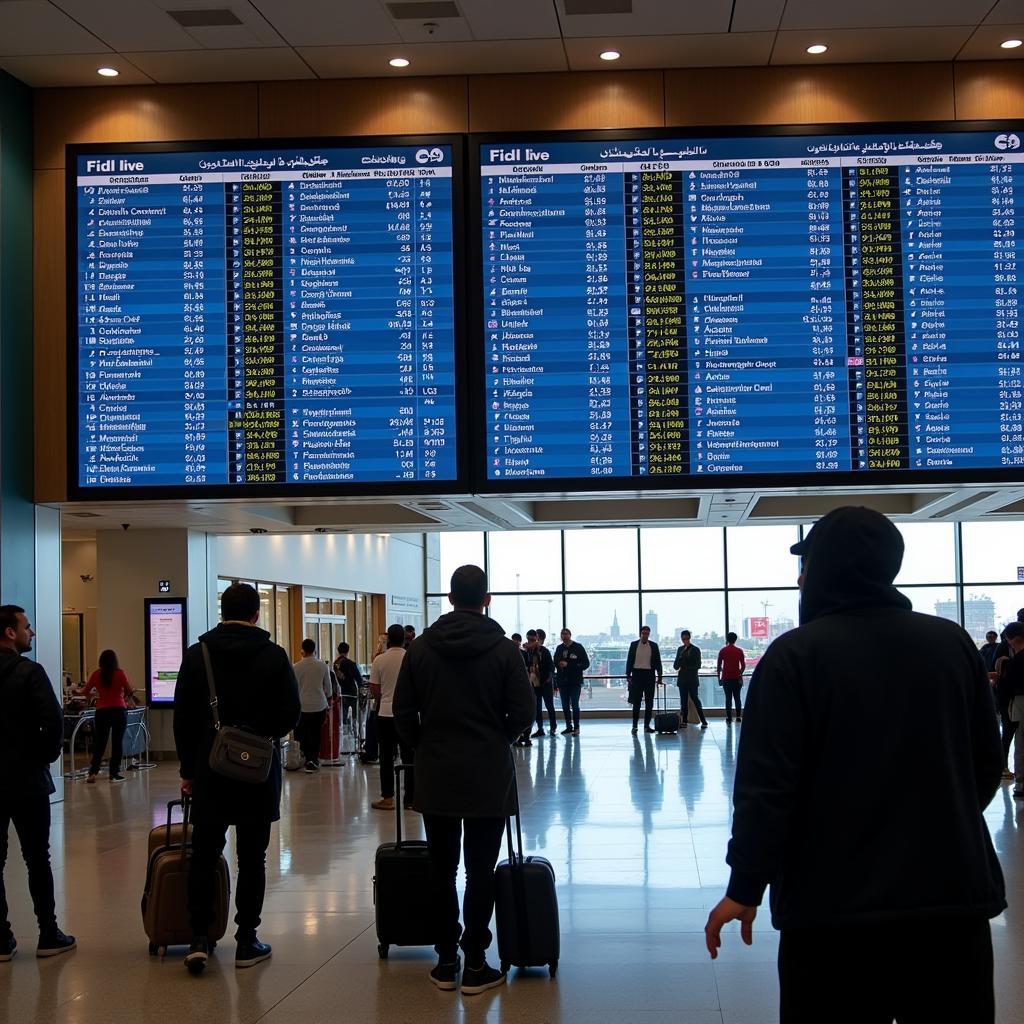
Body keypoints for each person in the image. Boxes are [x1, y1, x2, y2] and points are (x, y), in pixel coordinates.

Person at [704, 507, 1005, 1024]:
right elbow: (984, 765)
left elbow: (766, 789)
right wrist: (934, 820)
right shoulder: (951, 644)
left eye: (808, 564)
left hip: (830, 915)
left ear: (828, 570)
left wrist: (745, 886)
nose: (800, 578)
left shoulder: (794, 656)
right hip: (951, 904)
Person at [393, 564, 535, 994]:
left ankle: (445, 960)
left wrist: (425, 746)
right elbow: (524, 712)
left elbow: (401, 712)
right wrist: (498, 739)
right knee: (480, 870)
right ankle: (476, 961)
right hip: (487, 774)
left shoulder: (421, 650)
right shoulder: (504, 650)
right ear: (486, 599)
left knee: (442, 869)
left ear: (450, 599)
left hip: (436, 775)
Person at [173, 583, 300, 974]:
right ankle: (247, 940)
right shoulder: (274, 655)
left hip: (210, 769)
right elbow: (290, 714)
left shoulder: (199, 655)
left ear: (221, 610)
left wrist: (188, 771)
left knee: (204, 854)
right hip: (257, 772)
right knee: (253, 857)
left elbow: (182, 718)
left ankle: (198, 937)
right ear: (256, 614)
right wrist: (258, 733)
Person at [0, 605, 75, 961]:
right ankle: (48, 932)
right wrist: (43, 757)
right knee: (37, 858)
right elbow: (54, 720)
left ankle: (1, 938)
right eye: (27, 627)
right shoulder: (30, 672)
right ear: (10, 633)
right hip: (27, 780)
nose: (32, 632)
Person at [370, 624, 415, 812]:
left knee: (386, 758)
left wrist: (383, 700)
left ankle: (388, 798)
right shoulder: (411, 657)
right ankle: (410, 799)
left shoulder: (379, 660)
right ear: (404, 638)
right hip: (408, 715)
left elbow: (375, 688)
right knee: (409, 757)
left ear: (388, 639)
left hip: (386, 714)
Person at [85, 648, 136, 782]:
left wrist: (95, 696)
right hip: (119, 710)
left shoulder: (96, 674)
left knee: (100, 743)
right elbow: (130, 691)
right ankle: (114, 773)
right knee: (117, 742)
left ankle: (93, 772)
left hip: (101, 711)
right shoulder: (120, 674)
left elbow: (85, 691)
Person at [293, 638, 332, 774]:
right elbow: (328, 688)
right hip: (319, 705)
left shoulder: (295, 667)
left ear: (302, 649)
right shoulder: (322, 666)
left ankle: (304, 758)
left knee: (303, 733)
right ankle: (313, 759)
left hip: (302, 706)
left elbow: (293, 688)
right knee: (315, 733)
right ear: (315, 649)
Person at [1000, 622, 1024, 796]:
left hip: (1021, 701)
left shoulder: (1017, 660)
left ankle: (1022, 785)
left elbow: (1007, 686)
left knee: (1021, 743)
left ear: (1014, 639)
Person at [625, 625, 663, 734]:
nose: (645, 635)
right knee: (636, 702)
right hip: (637, 674)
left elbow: (658, 662)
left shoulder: (654, 646)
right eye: (644, 633)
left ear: (649, 634)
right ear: (640, 634)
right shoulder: (634, 645)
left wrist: (659, 677)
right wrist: (628, 675)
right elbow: (629, 660)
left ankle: (646, 725)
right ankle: (634, 726)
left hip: (649, 674)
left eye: (647, 634)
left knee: (649, 702)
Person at [553, 627, 589, 736]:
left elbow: (586, 663)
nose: (564, 636)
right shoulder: (559, 648)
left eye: (566, 634)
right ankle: (568, 726)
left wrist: (570, 665)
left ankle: (576, 727)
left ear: (570, 635)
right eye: (562, 634)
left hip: (575, 682)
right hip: (562, 681)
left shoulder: (578, 647)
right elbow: (555, 661)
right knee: (564, 705)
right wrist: (559, 664)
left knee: (574, 704)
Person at [674, 630, 707, 729]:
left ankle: (703, 720)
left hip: (692, 678)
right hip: (683, 679)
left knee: (695, 699)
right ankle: (684, 721)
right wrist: (680, 658)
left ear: (689, 638)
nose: (685, 641)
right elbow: (675, 666)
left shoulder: (695, 649)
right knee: (683, 701)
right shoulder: (680, 649)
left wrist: (686, 664)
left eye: (686, 639)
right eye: (683, 639)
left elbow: (698, 665)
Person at [528, 629, 557, 738]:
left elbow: (551, 667)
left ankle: (553, 727)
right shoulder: (530, 652)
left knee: (549, 706)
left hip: (545, 683)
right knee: (537, 707)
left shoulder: (544, 651)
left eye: (534, 639)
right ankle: (540, 728)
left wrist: (549, 678)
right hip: (535, 683)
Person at [716, 632, 745, 724]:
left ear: (727, 639)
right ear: (735, 640)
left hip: (726, 678)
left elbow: (719, 666)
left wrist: (719, 678)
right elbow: (743, 665)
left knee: (728, 698)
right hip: (737, 678)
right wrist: (739, 673)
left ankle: (729, 717)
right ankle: (738, 717)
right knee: (737, 697)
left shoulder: (723, 651)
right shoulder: (739, 651)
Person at [333, 641, 362, 729]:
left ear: (338, 651)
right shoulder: (351, 663)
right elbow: (358, 679)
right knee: (354, 717)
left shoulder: (335, 664)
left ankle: (344, 733)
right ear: (348, 651)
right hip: (352, 693)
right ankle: (353, 733)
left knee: (343, 717)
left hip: (341, 693)